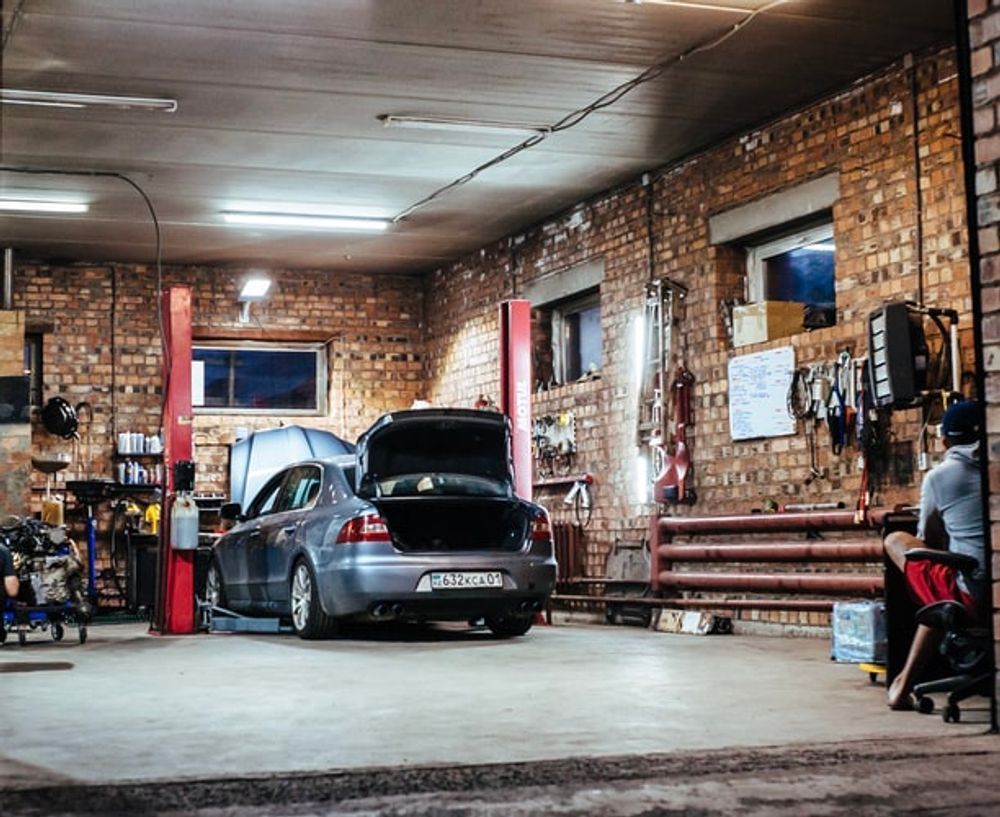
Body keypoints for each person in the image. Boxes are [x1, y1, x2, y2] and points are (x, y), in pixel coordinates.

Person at [883, 399, 987, 710]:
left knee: (896, 540)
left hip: (975, 594)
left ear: (944, 441)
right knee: (944, 596)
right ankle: (902, 683)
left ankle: (903, 684)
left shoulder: (940, 477)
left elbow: (929, 538)